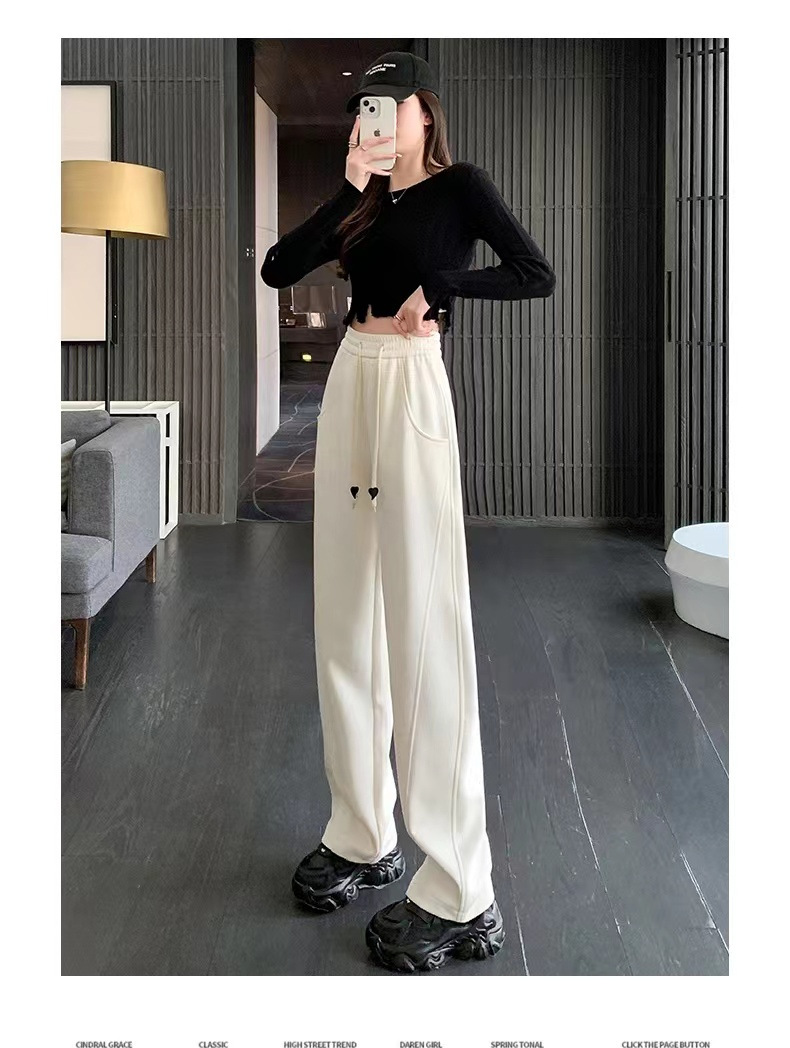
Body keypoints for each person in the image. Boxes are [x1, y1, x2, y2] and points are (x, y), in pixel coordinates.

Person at [261, 51, 556, 973]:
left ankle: (462, 890)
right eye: (363, 108)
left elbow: (534, 272)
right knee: (345, 621)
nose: (373, 119)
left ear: (424, 112)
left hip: (413, 388)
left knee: (426, 630)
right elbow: (278, 269)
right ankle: (363, 833)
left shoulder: (461, 188)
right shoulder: (366, 199)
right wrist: (346, 188)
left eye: (387, 106)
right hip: (351, 380)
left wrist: (447, 287)